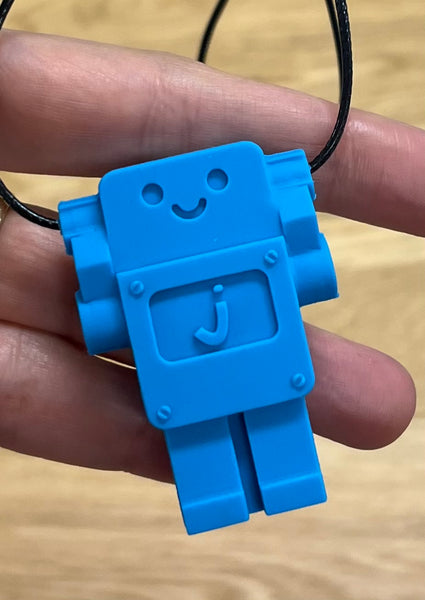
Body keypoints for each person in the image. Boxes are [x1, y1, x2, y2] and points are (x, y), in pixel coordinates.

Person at [0, 29, 421, 483]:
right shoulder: (117, 242)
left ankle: (283, 481)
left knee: (281, 443)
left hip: (259, 369)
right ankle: (221, 491)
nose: (187, 199)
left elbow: (308, 269)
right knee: (205, 459)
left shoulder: (260, 214)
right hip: (189, 387)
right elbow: (104, 319)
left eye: (218, 181)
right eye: (152, 196)